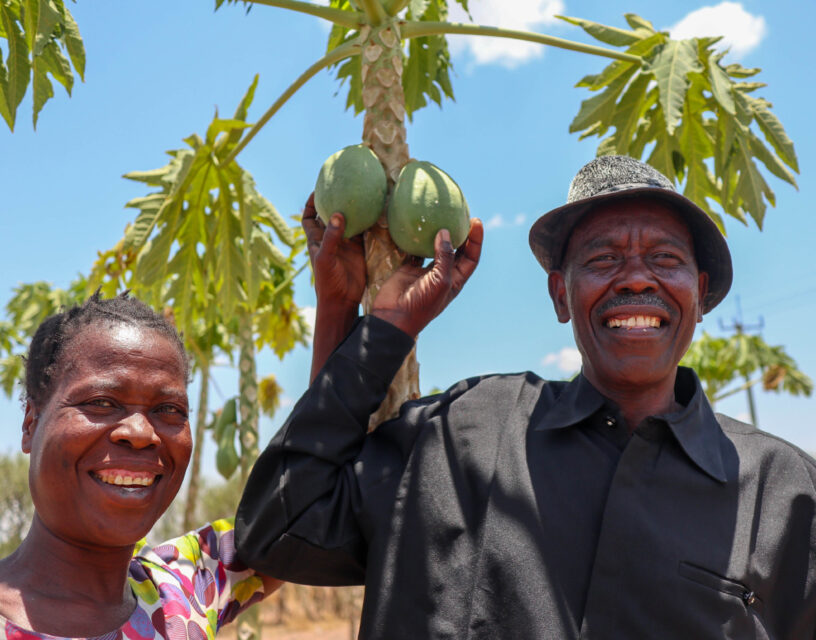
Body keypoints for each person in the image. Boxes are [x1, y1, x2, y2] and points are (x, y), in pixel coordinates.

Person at [235, 156, 816, 639]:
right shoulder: (461, 435)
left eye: (665, 259)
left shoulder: (786, 493)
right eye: (603, 259)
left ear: (701, 293)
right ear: (560, 295)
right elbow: (281, 530)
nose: (636, 279)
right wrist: (372, 322)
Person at [0, 293, 283, 640]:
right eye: (102, 402)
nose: (140, 433)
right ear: (30, 424)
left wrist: (336, 305)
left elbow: (304, 504)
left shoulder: (186, 585)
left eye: (168, 409)